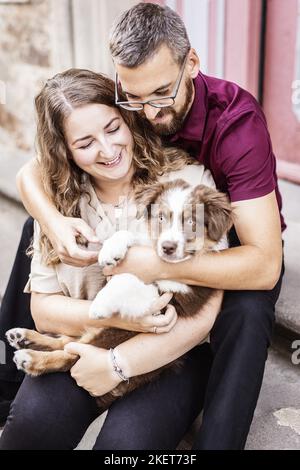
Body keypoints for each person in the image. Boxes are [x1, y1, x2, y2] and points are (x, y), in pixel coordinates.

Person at [0, 3, 285, 449]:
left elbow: (264, 262)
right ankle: (6, 381)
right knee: (36, 232)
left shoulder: (236, 123)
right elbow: (39, 167)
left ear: (191, 63)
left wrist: (150, 266)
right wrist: (52, 219)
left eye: (160, 95)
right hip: (146, 220)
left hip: (223, 230)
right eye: (133, 98)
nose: (148, 113)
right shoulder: (127, 100)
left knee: (246, 313)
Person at [0, 68, 222, 450]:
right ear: (64, 150)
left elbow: (208, 305)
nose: (107, 149)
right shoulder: (58, 200)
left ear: (128, 118)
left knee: (126, 447)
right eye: (85, 142)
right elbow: (45, 310)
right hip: (85, 338)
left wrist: (118, 365)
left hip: (172, 353)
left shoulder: (185, 179)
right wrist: (115, 320)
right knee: (30, 431)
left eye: (112, 128)